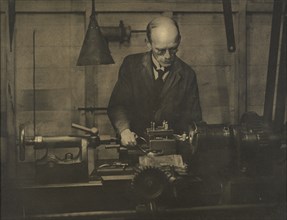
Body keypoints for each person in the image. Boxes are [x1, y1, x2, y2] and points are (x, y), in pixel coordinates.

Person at [108, 16, 202, 146]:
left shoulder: (187, 75)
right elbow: (118, 105)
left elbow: (194, 121)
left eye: (173, 48)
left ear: (179, 41)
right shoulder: (131, 65)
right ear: (148, 43)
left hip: (173, 150)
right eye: (160, 50)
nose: (168, 56)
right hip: (136, 147)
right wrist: (124, 131)